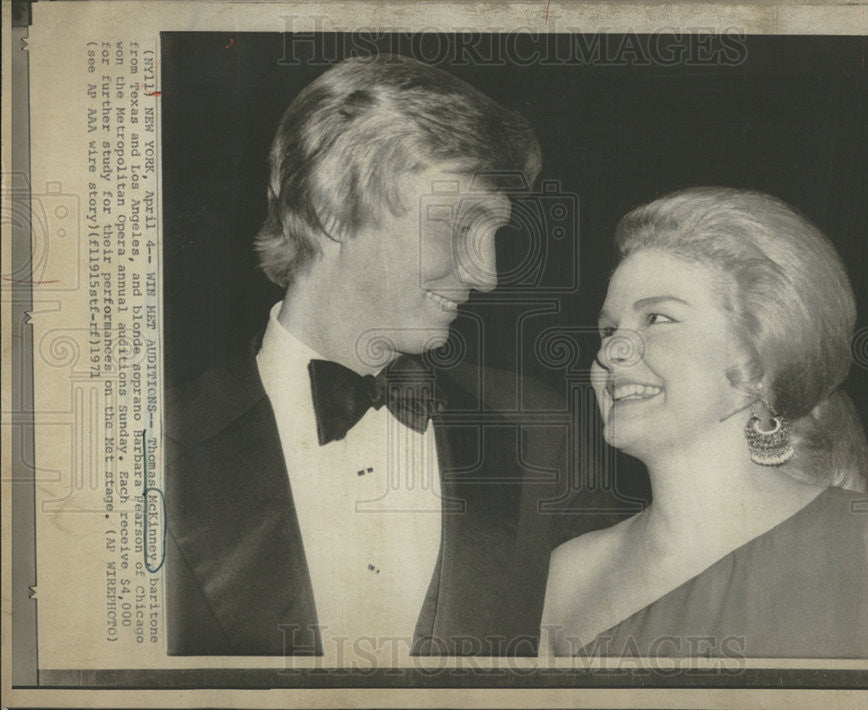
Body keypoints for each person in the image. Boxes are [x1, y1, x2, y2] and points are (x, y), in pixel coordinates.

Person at [165, 55, 579, 658]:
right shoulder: (150, 448)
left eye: (495, 233)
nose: (487, 274)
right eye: (461, 226)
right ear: (333, 207)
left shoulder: (539, 430)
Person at [541, 187, 868, 659]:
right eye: (608, 330)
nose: (613, 350)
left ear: (758, 355)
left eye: (656, 318)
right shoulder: (568, 577)